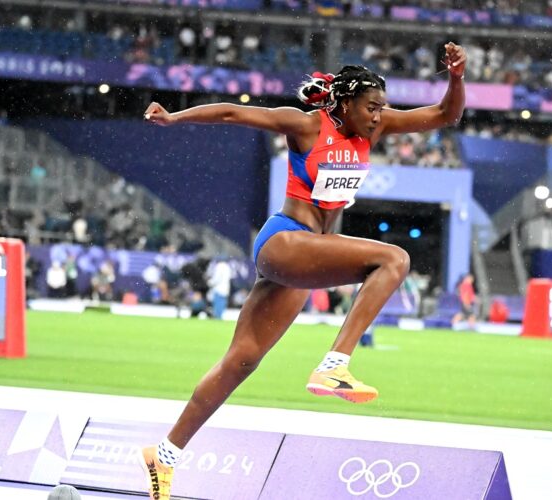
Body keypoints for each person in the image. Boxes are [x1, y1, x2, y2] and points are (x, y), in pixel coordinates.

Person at [138, 43, 466, 499]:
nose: (378, 116)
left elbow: (445, 115)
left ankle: (164, 455)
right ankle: (335, 365)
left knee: (241, 362)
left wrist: (456, 77)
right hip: (285, 241)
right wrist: (175, 118)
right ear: (346, 102)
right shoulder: (307, 126)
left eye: (382, 108)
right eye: (371, 107)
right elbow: (234, 114)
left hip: (305, 255)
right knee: (394, 258)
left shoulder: (375, 128)